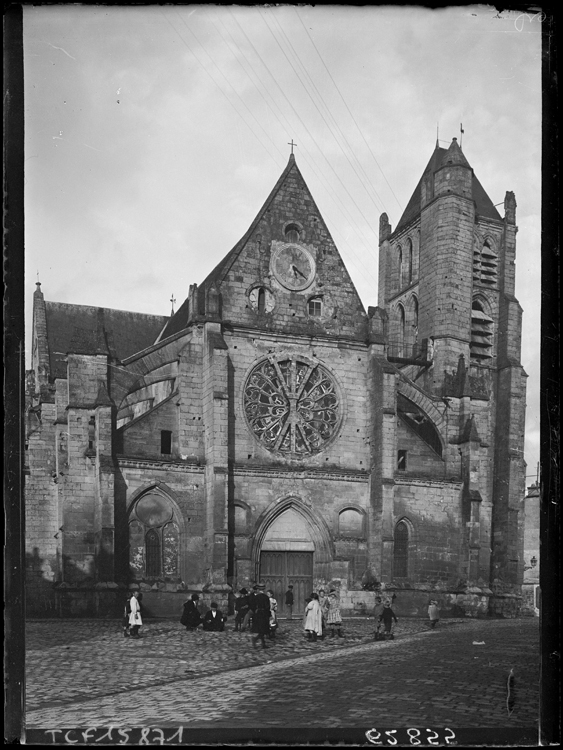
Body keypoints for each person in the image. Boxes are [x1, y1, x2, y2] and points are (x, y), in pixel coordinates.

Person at [251, 583, 271, 649]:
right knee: (262, 630)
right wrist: (269, 615)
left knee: (260, 630)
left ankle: (263, 643)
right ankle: (255, 639)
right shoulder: (266, 597)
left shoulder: (256, 597)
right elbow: (268, 607)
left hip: (258, 614)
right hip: (264, 614)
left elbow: (253, 606)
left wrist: (255, 611)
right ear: (264, 589)